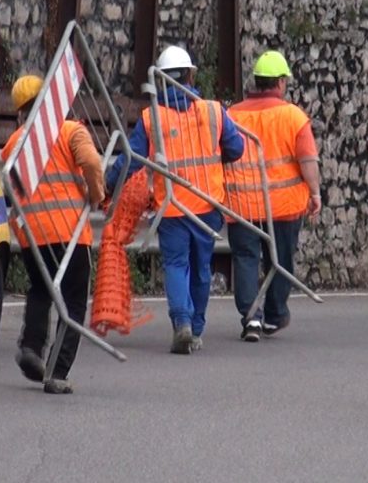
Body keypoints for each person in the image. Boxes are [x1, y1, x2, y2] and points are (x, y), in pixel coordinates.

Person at [105, 46, 244, 354]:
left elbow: (131, 159)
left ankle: (181, 322)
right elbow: (237, 148)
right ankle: (195, 327)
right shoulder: (212, 110)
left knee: (176, 265)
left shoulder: (151, 117)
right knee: (201, 267)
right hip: (209, 206)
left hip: (170, 207)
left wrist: (109, 185)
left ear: (162, 80)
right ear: (191, 75)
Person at [2, 74, 105, 394]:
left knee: (41, 291)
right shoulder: (70, 130)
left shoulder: (11, 145)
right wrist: (96, 194)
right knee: (73, 302)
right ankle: (57, 372)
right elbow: (90, 160)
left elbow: (10, 192)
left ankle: (31, 347)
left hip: (33, 235)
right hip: (69, 232)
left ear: (19, 110)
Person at [225, 50, 321, 342]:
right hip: (284, 206)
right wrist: (315, 193)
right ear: (280, 82)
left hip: (242, 203)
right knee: (279, 260)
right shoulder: (293, 116)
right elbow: (307, 161)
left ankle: (251, 318)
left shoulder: (232, 115)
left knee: (245, 259)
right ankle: (275, 314)